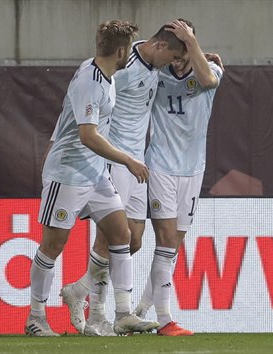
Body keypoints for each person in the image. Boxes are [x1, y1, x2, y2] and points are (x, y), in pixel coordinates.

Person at [59, 20, 192, 336]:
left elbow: (184, 62)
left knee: (132, 240)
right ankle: (98, 316)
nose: (172, 65)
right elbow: (93, 95)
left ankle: (79, 290)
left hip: (137, 162)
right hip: (116, 161)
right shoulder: (122, 68)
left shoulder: (152, 57)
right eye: (171, 57)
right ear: (160, 47)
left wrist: (201, 53)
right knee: (108, 239)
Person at [27, 19, 160, 336]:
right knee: (52, 245)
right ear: (121, 50)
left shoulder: (103, 73)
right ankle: (36, 317)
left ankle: (124, 314)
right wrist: (128, 159)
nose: (131, 53)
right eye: (129, 47)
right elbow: (87, 135)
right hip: (70, 173)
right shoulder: (91, 81)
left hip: (96, 173)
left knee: (121, 233)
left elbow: (66, 114)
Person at [131, 19, 222, 336]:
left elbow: (208, 81)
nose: (177, 61)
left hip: (193, 169)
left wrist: (194, 44)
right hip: (160, 167)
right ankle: (165, 319)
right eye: (176, 53)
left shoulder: (210, 72)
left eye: (184, 53)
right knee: (166, 242)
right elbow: (141, 51)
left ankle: (141, 310)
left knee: (173, 246)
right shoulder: (155, 75)